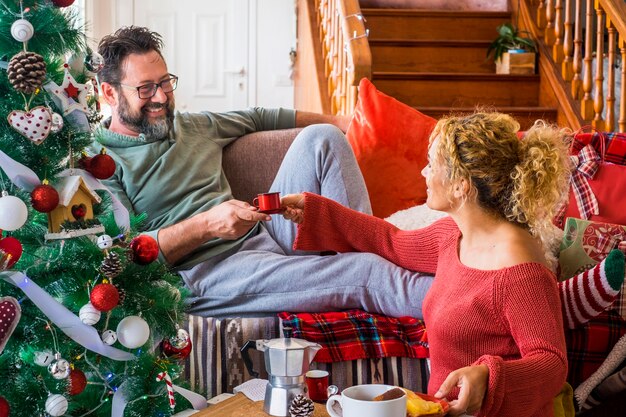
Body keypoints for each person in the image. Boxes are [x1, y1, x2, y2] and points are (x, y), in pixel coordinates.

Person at [90, 26, 433, 318]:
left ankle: (378, 245)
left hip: (263, 234)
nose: (161, 97)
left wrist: (344, 122)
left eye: (165, 82)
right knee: (366, 274)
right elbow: (127, 256)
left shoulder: (192, 125)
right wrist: (208, 224)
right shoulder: (101, 162)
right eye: (145, 88)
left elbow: (260, 116)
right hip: (205, 272)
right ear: (109, 93)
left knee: (322, 139)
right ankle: (465, 305)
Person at [280, 112, 570, 416]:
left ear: (461, 185)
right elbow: (391, 241)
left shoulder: (519, 269)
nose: (423, 171)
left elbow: (551, 364)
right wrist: (314, 210)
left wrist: (488, 376)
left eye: (432, 164)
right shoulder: (453, 236)